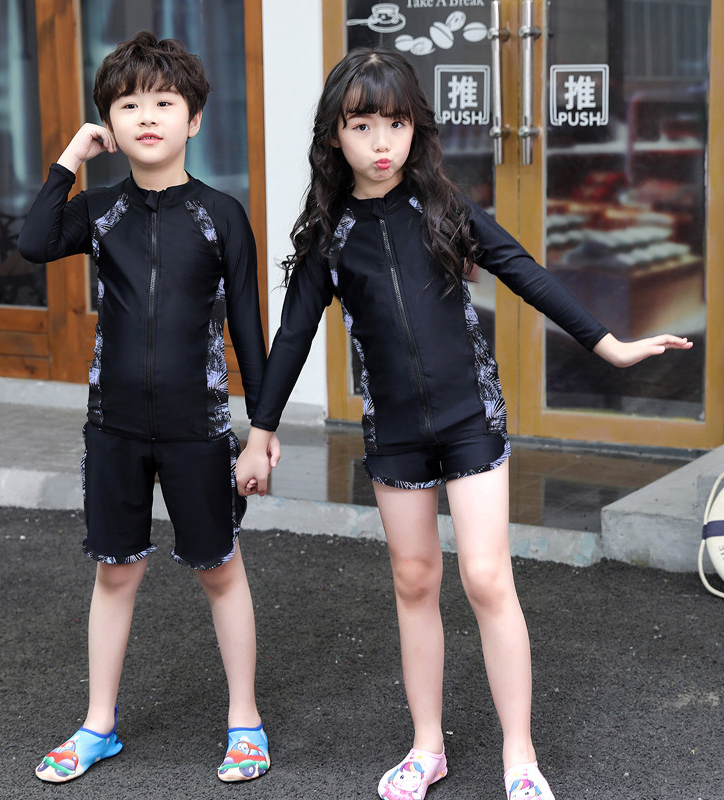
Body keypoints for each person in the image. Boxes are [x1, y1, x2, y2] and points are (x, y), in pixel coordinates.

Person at [235, 48, 692, 800]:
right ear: (334, 135)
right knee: (415, 580)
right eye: (361, 126)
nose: (381, 142)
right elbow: (292, 336)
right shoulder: (328, 235)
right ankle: (427, 748)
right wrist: (261, 429)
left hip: (468, 417)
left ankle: (520, 756)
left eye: (396, 123)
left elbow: (524, 271)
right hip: (394, 431)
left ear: (416, 127)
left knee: (485, 576)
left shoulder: (443, 208)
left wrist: (607, 344)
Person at [18, 31, 278, 784]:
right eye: (129, 106)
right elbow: (34, 241)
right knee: (115, 574)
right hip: (115, 428)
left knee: (220, 570)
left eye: (164, 103)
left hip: (200, 428)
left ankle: (245, 721)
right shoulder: (99, 210)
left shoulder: (221, 214)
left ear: (193, 119)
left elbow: (250, 331)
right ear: (110, 123)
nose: (147, 117)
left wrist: (260, 432)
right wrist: (72, 156)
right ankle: (98, 725)